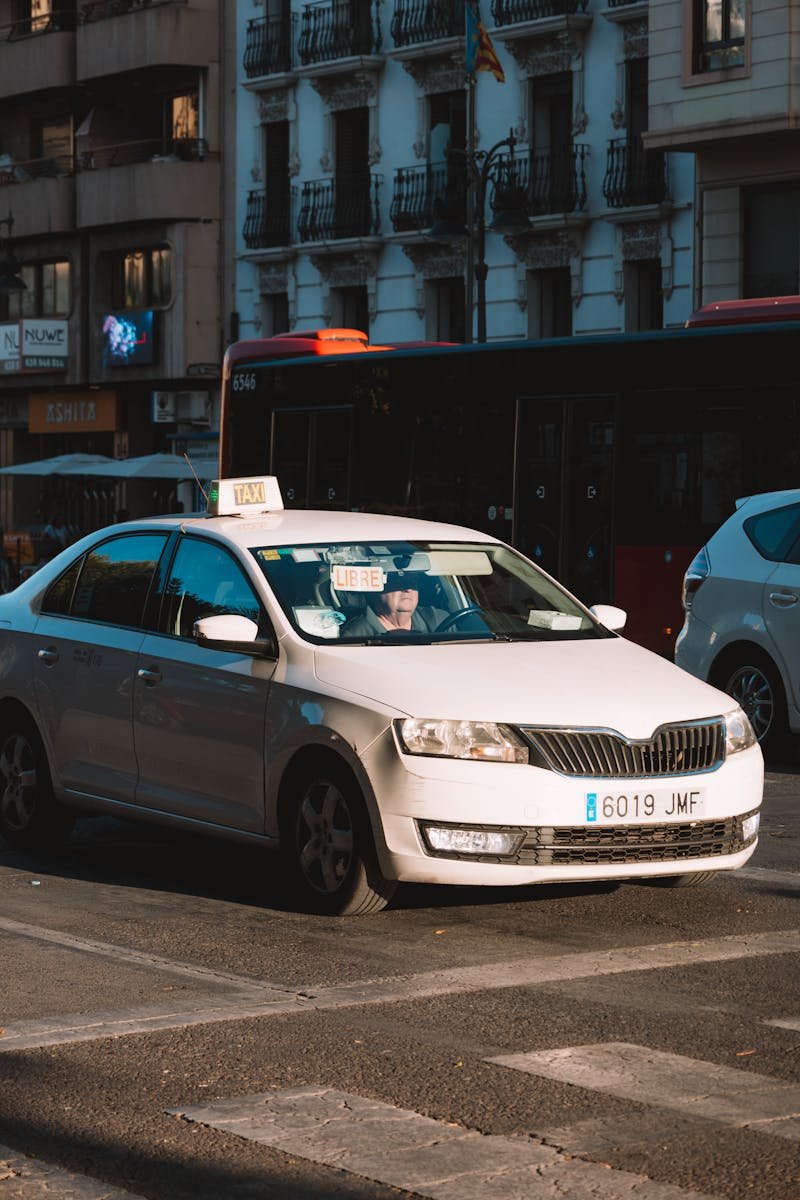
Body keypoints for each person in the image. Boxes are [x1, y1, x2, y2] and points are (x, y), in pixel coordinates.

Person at [343, 572, 445, 637]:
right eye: (398, 581)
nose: (408, 589)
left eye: (413, 581)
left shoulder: (438, 620)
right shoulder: (355, 634)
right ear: (375, 591)